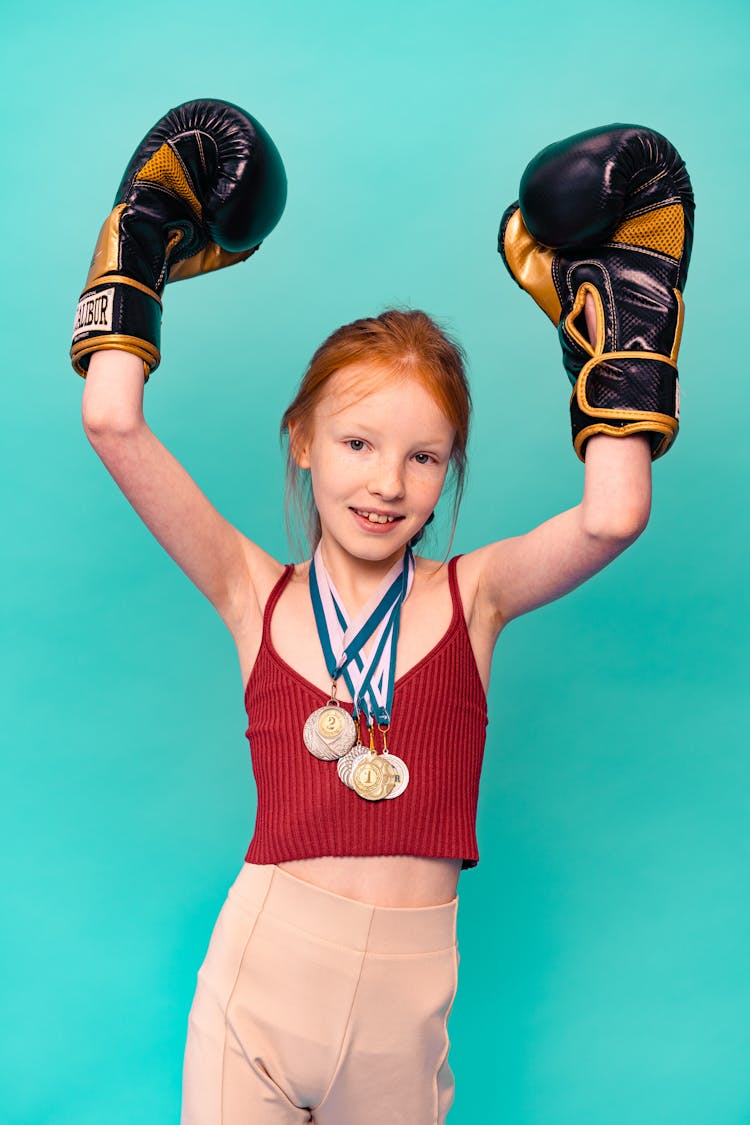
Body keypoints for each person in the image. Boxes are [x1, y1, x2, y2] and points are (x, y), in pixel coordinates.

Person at [72, 101, 694, 1125]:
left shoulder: (475, 596)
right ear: (304, 440)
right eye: (358, 443)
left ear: (449, 469)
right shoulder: (250, 590)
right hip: (257, 989)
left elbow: (616, 514)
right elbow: (110, 418)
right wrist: (138, 242)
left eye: (424, 456)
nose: (387, 483)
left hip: (407, 1018)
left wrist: (626, 324)